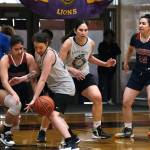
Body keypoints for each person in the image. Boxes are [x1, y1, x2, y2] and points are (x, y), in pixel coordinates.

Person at [59, 19, 116, 139]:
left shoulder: (91, 43)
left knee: (97, 97)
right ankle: (43, 131)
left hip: (84, 75)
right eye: (81, 30)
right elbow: (58, 63)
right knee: (56, 108)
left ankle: (96, 130)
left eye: (85, 30)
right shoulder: (68, 43)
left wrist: (105, 64)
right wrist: (72, 69)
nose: (83, 32)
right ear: (75, 31)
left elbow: (89, 58)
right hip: (67, 77)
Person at [25, 32, 79, 150]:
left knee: (53, 115)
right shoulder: (37, 53)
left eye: (41, 47)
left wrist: (34, 99)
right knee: (48, 110)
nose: (38, 50)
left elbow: (43, 79)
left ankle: (71, 143)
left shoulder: (49, 55)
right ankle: (72, 137)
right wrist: (22, 78)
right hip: (54, 87)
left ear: (47, 44)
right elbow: (37, 73)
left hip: (65, 87)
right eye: (36, 47)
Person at [115, 14, 150, 138]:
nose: (140, 25)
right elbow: (130, 50)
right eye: (140, 23)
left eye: (143, 23)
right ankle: (128, 130)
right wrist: (125, 62)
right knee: (126, 101)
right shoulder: (135, 37)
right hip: (138, 72)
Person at [0, 35, 37, 146]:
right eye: (16, 49)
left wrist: (36, 96)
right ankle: (6, 134)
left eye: (21, 48)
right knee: (16, 104)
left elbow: (34, 75)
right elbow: (4, 82)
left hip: (19, 92)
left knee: (14, 123)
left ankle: (3, 131)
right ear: (10, 49)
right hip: (3, 90)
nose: (20, 51)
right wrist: (14, 93)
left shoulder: (28, 58)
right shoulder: (5, 59)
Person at [97, 29, 121, 105]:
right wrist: (109, 52)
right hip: (102, 66)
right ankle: (98, 99)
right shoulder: (102, 44)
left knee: (109, 83)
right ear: (105, 37)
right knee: (101, 83)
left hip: (111, 67)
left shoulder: (114, 45)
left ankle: (109, 99)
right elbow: (102, 53)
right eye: (107, 36)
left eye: (110, 36)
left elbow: (118, 52)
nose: (109, 38)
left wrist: (112, 46)